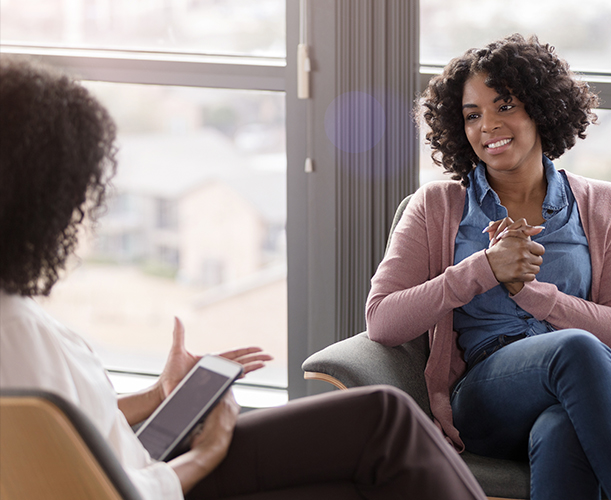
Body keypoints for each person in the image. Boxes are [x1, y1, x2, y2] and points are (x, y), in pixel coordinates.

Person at [0, 56, 488, 500]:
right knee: (385, 419)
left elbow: (62, 431)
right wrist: (203, 456)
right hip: (153, 478)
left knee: (358, 461)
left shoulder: (18, 326)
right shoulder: (19, 331)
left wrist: (157, 396)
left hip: (139, 458)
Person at [366, 34, 611, 500]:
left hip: (584, 392)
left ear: (542, 109)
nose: (488, 125)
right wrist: (484, 268)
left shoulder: (605, 204)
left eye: (504, 106)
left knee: (561, 428)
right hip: (486, 397)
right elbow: (382, 321)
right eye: (472, 114)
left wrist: (530, 291)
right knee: (578, 349)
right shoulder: (437, 205)